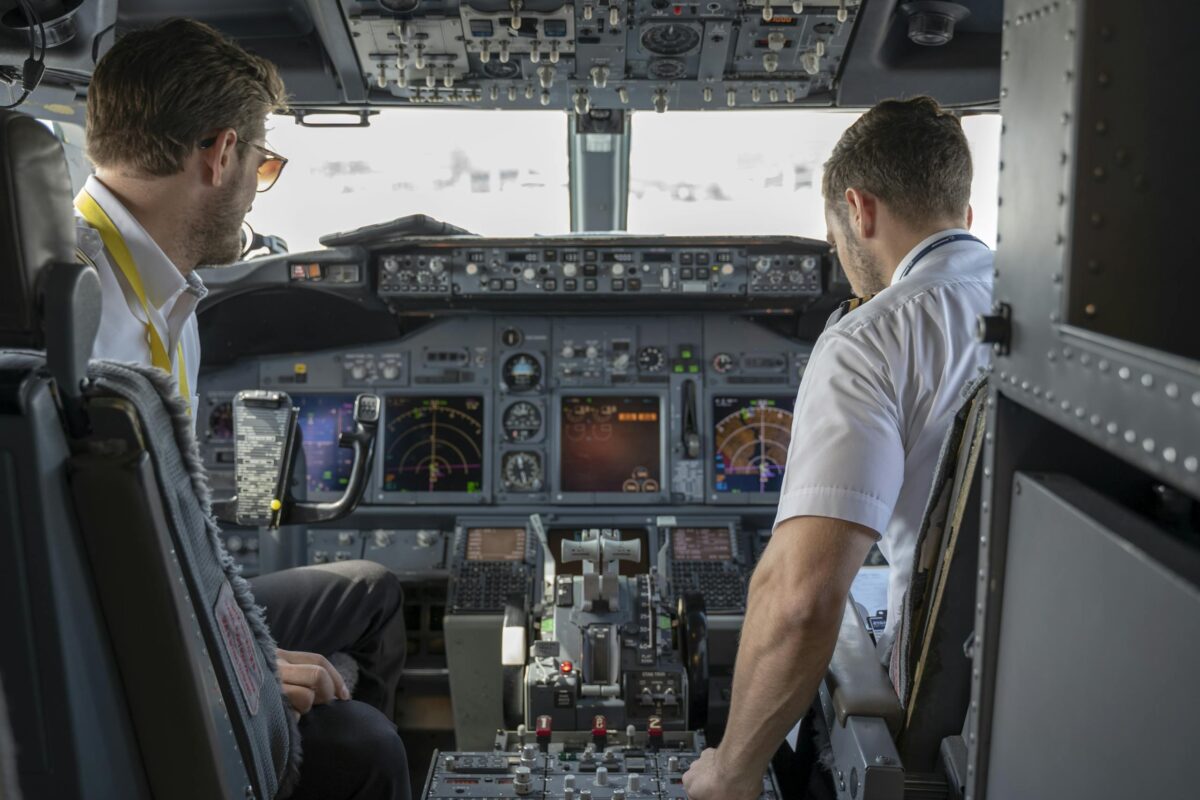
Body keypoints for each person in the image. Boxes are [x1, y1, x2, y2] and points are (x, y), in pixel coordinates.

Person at [75, 18, 409, 799]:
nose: (257, 182)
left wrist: (240, 649)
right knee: (367, 747)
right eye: (264, 164)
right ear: (222, 154)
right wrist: (239, 668)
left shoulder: (151, 292)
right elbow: (95, 583)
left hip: (166, 595)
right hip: (125, 640)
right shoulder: (85, 324)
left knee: (369, 592)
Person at [682, 97, 994, 800]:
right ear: (964, 217)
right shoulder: (1052, 314)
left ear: (859, 211)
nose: (844, 262)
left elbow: (802, 598)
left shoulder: (874, 336)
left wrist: (730, 770)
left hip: (938, 722)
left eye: (835, 243)